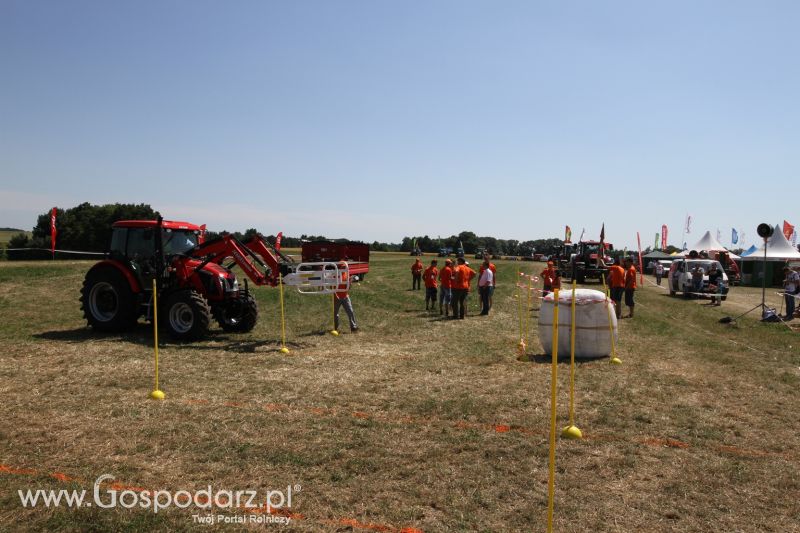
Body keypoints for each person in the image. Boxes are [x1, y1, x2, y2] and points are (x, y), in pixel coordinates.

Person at [333, 262, 358, 332]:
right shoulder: (335, 275)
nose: (344, 268)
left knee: (350, 311)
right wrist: (335, 295)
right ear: (338, 268)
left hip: (345, 296)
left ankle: (354, 327)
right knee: (335, 313)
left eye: (345, 267)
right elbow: (332, 287)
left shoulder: (346, 274)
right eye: (342, 267)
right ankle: (335, 328)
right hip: (337, 297)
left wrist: (350, 282)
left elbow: (348, 287)